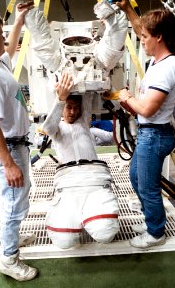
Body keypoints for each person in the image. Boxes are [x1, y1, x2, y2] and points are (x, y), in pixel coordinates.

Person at [0, 3, 38, 281]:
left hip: (18, 143)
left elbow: (10, 49)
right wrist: (9, 164)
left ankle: (11, 235)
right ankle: (9, 258)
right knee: (14, 203)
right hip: (10, 146)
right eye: (1, 34)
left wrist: (20, 20)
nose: (5, 38)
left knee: (16, 199)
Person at [116, 0, 175, 248]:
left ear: (159, 37)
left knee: (148, 186)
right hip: (148, 133)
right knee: (136, 177)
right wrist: (128, 8)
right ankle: (153, 219)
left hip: (155, 134)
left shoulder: (166, 68)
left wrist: (128, 97)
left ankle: (155, 233)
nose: (141, 39)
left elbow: (149, 110)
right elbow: (142, 27)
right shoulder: (157, 61)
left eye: (145, 38)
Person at [41, 73, 119, 249]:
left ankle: (87, 215)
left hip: (94, 180)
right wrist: (60, 99)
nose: (72, 112)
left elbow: (86, 98)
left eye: (76, 108)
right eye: (68, 107)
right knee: (64, 241)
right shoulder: (58, 129)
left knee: (106, 232)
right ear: (62, 108)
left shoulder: (84, 122)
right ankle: (78, 217)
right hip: (70, 183)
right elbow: (48, 127)